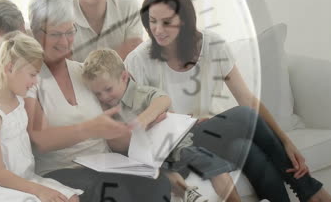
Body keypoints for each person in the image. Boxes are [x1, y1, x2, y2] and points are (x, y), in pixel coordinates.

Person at [124, 0, 331, 202]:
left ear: (184, 21)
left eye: (167, 22)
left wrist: (285, 140)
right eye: (152, 22)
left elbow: (247, 98)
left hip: (209, 135)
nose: (157, 30)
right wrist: (183, 122)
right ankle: (310, 191)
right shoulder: (138, 60)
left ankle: (305, 193)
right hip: (175, 148)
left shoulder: (212, 46)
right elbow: (137, 125)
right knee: (243, 116)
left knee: (245, 148)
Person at [24, 0, 171, 202]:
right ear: (37, 33)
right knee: (113, 191)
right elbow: (40, 141)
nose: (65, 42)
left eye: (70, 31)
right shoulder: (31, 78)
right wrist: (89, 129)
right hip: (61, 170)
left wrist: (137, 130)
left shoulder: (84, 72)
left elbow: (111, 136)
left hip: (105, 162)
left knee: (158, 183)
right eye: (56, 34)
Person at [81, 48, 242, 202]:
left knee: (213, 164)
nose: (104, 97)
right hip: (153, 160)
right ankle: (189, 193)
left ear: (124, 77)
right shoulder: (107, 111)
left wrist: (144, 120)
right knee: (159, 173)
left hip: (177, 147)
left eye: (108, 89)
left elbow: (163, 100)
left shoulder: (140, 94)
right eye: (98, 94)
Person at [0, 31, 82, 202]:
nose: (36, 81)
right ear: (10, 68)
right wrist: (40, 191)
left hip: (22, 179)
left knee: (71, 198)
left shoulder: (19, 99)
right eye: (32, 74)